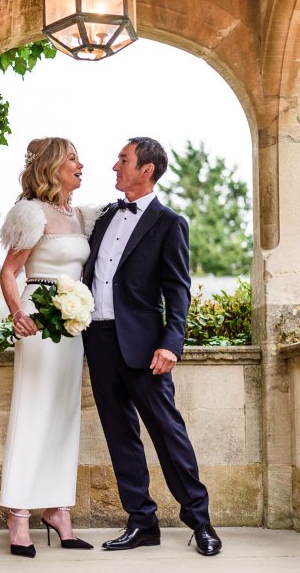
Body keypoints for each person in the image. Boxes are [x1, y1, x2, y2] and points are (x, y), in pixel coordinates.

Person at [83, 137, 222, 556]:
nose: (114, 166)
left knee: (168, 434)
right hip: (100, 340)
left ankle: (200, 522)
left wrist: (171, 345)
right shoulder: (105, 217)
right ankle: (141, 521)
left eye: (123, 160)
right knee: (120, 435)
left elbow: (177, 291)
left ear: (147, 169)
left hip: (146, 348)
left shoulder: (169, 223)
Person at [0, 137, 100, 558]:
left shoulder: (82, 216)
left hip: (73, 325)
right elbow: (8, 271)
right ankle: (18, 514)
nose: (81, 164)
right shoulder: (31, 213)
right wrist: (15, 314)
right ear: (53, 166)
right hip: (39, 320)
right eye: (73, 158)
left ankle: (58, 510)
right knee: (33, 409)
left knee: (64, 414)